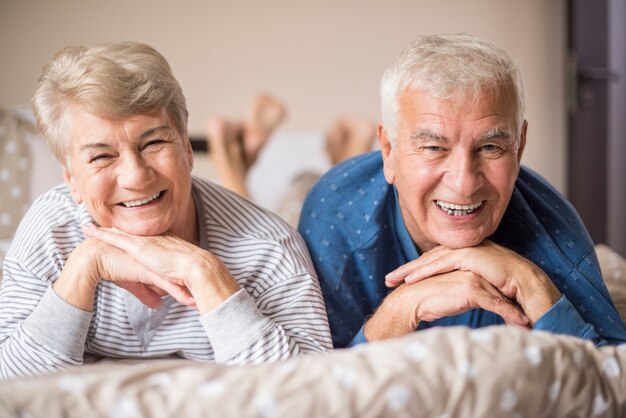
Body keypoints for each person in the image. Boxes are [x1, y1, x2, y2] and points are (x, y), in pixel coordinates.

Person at [0, 42, 332, 380]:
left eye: (153, 143)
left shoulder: (269, 249)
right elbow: (9, 385)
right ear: (71, 180)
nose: (136, 176)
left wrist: (202, 270)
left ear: (187, 150)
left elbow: (308, 395)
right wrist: (86, 265)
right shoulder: (51, 230)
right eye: (102, 156)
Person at [298, 33, 626, 348]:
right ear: (388, 150)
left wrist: (529, 281)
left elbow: (614, 378)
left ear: (520, 146)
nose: (464, 183)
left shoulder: (552, 225)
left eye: (489, 147)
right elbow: (311, 387)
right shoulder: (334, 212)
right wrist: (400, 311)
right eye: (433, 147)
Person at [205, 98, 376, 226]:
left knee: (258, 235)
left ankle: (232, 164)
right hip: (305, 204)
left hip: (298, 215)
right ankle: (234, 168)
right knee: (333, 203)